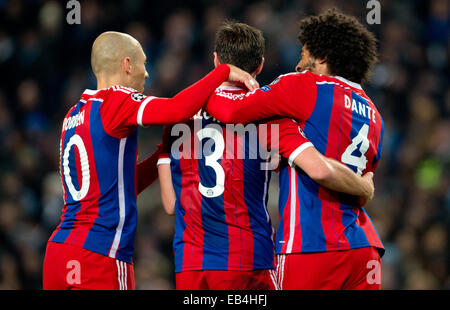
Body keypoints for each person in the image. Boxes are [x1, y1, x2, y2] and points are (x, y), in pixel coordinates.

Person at [157, 21, 375, 290]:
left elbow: (170, 203)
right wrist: (364, 186)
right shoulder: (372, 115)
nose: (297, 65)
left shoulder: (177, 118)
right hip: (258, 258)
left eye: (303, 54)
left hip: (196, 261)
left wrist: (197, 94)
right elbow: (324, 168)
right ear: (259, 65)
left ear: (215, 59)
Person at [42, 31, 259, 290]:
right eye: (143, 63)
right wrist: (222, 72)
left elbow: (119, 186)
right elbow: (178, 109)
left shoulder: (74, 114)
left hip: (60, 252)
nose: (146, 73)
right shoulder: (116, 99)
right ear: (127, 64)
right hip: (99, 253)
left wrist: (162, 154)